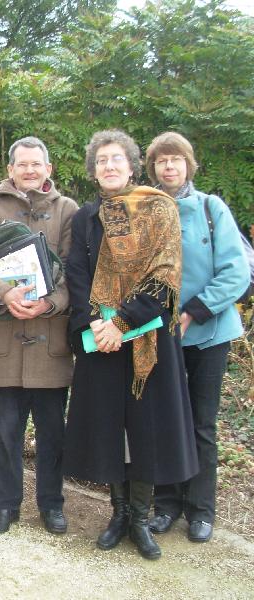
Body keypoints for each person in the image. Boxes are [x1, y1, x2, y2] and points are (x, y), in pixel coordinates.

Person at [63, 129, 198, 560]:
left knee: (146, 428)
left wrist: (122, 321)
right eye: (101, 160)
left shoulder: (160, 208)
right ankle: (118, 512)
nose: (109, 166)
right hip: (102, 340)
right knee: (110, 426)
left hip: (149, 337)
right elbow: (78, 274)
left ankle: (140, 518)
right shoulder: (86, 216)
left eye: (116, 158)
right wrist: (98, 325)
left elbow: (165, 273)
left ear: (133, 164)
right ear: (93, 169)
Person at [0, 136, 77, 535]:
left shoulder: (68, 211)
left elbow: (76, 272)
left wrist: (52, 303)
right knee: (7, 433)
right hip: (5, 343)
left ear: (49, 169)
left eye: (36, 164)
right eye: (22, 164)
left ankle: (51, 504)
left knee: (52, 435)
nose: (29, 170)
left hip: (50, 339)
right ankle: (5, 506)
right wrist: (3, 293)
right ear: (10, 170)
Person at [144, 132, 249, 543]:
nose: (169, 167)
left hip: (208, 333)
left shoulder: (211, 208)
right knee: (165, 420)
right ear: (152, 168)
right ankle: (166, 504)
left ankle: (201, 509)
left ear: (189, 164)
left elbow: (236, 273)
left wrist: (192, 312)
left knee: (202, 424)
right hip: (158, 334)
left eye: (176, 160)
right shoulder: (144, 211)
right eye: (161, 161)